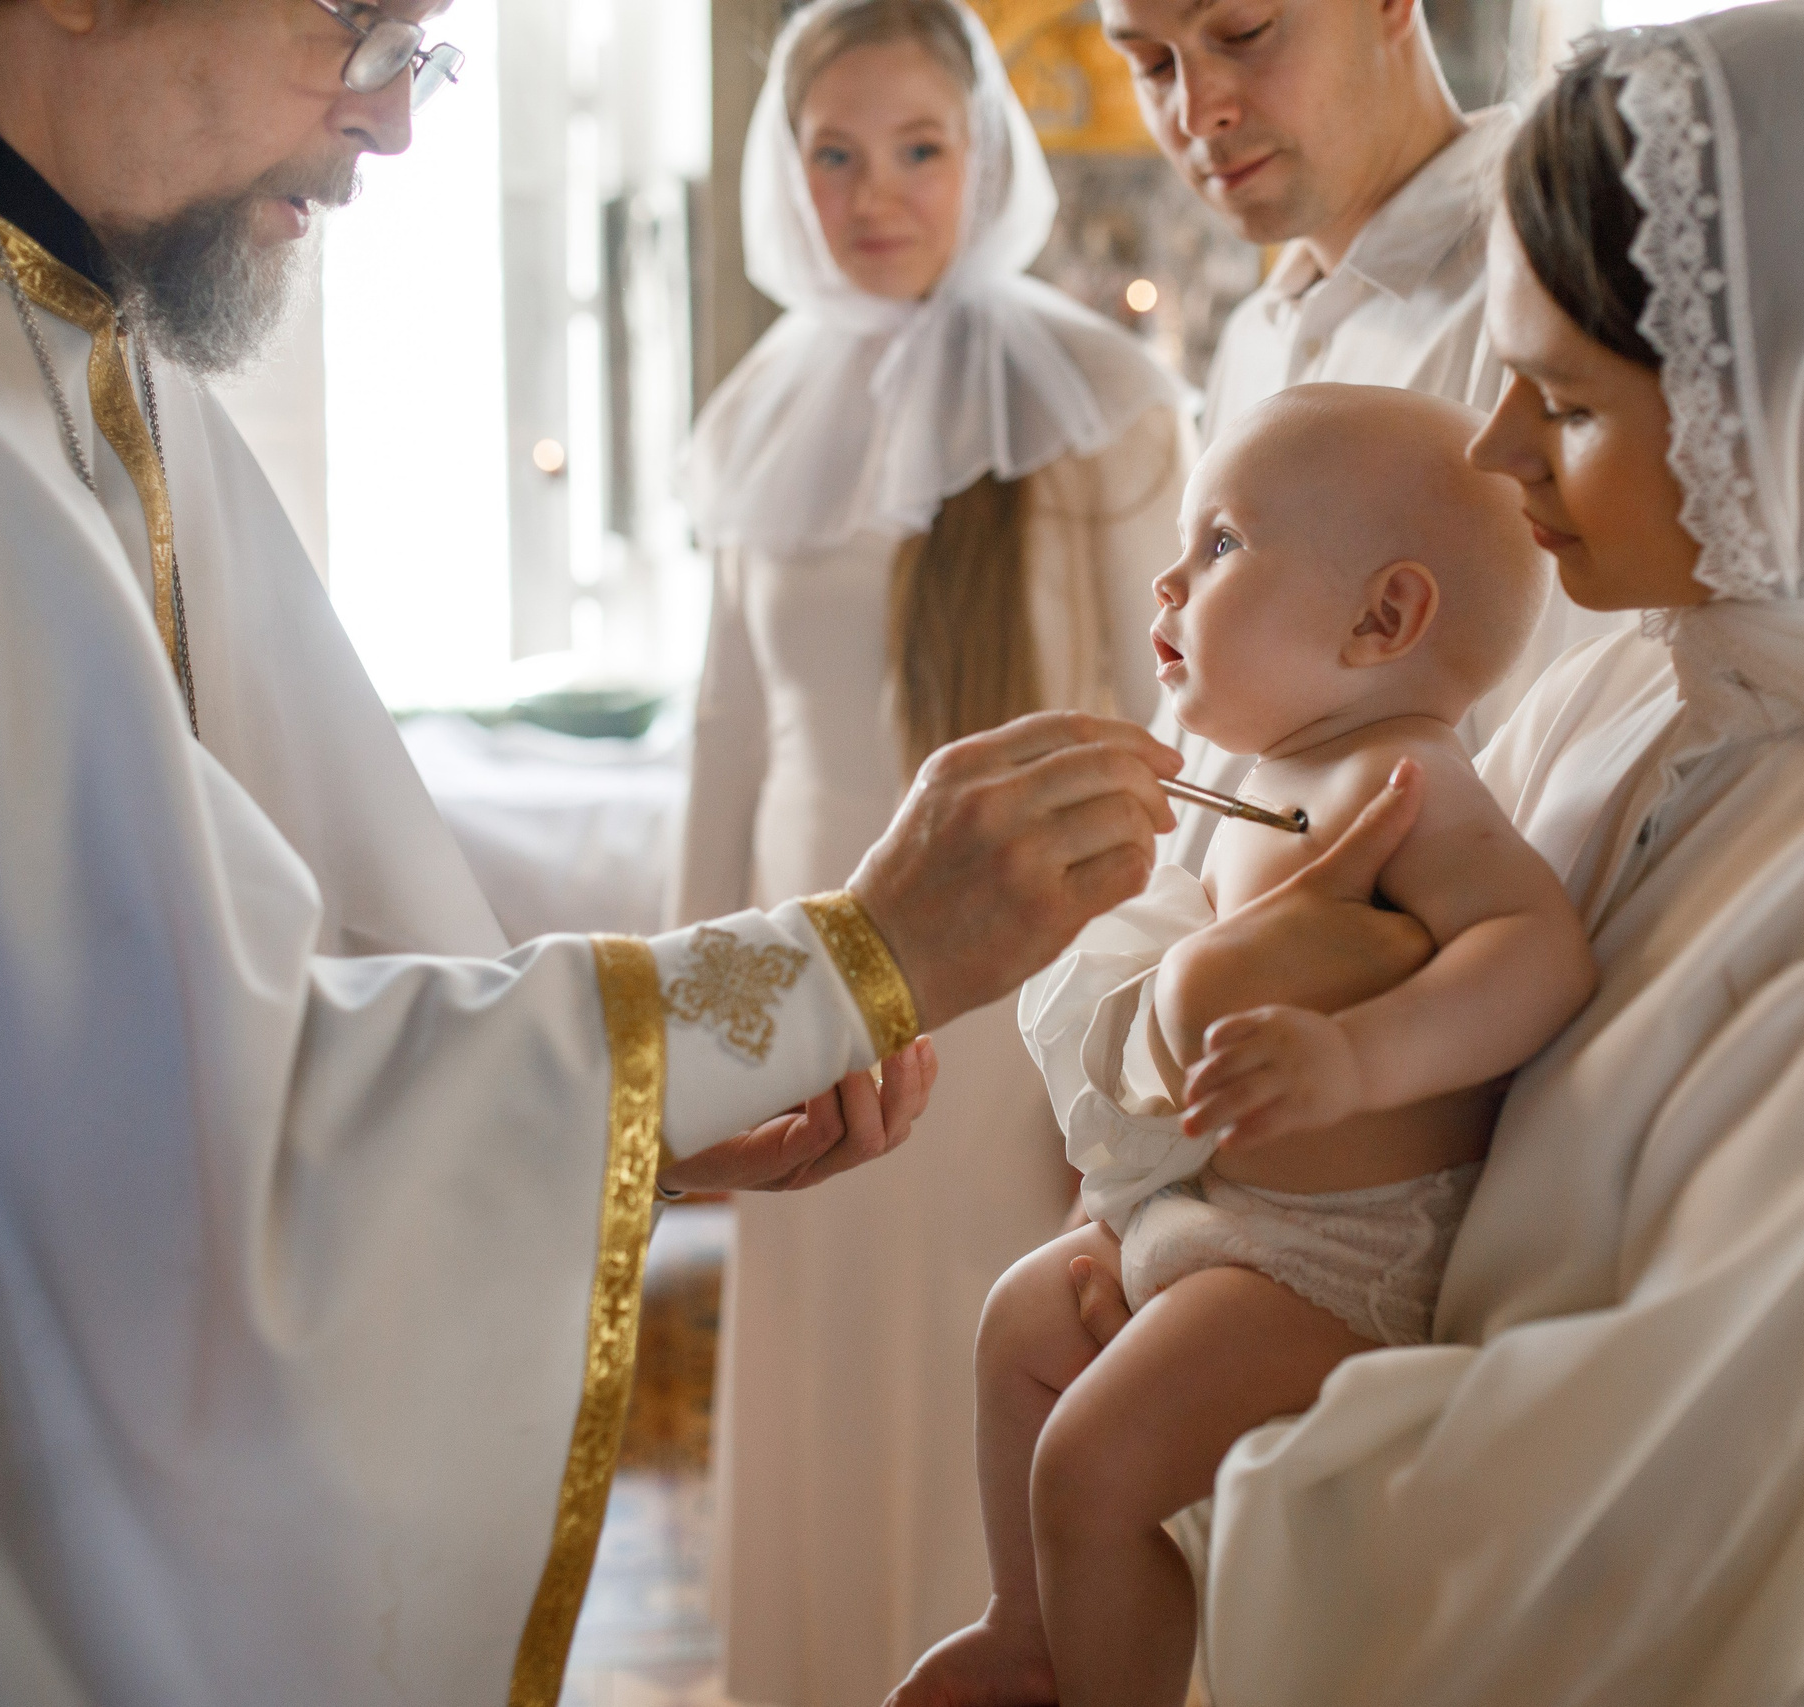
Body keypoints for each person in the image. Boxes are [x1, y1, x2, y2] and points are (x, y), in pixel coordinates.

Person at [0, 2, 1191, 1701]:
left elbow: (288, 999)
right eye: (356, 23)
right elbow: (145, 1121)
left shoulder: (75, 343)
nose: (392, 122)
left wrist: (671, 1108)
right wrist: (828, 964)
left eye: (423, 51)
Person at [1014, 4, 1804, 1699]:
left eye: (1566, 405)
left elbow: (1663, 1514)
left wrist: (1181, 1460)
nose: (1501, 457)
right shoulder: (1645, 685)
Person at [897, 383, 1593, 1706]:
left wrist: (1364, 1059)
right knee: (1019, 1325)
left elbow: (1538, 954)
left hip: (1339, 1260)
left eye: (1217, 544)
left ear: (1382, 618)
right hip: (1223, 1217)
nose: (1169, 578)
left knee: (1091, 1465)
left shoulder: (1405, 777)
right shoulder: (1264, 782)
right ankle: (1025, 1621)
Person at [672, 0, 1191, 1697]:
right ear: (784, 169)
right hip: (800, 982)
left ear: (983, 159)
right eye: (833, 152)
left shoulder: (1100, 397)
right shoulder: (759, 409)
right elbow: (729, 750)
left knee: (985, 1379)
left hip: (1016, 996)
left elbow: (1157, 734)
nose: (873, 194)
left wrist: (1123, 1066)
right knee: (821, 1377)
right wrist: (695, 1041)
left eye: (916, 149)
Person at [1099, 0, 1625, 874]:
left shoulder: (1542, 304)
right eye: (1153, 64)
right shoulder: (1254, 332)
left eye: (1242, 34)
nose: (1197, 113)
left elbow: (1557, 765)